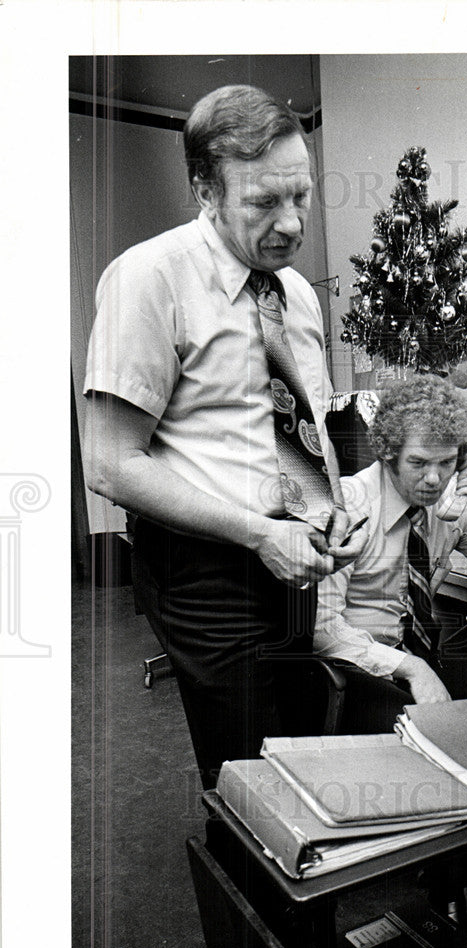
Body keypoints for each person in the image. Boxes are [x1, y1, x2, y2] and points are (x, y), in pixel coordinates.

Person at [83, 85, 365, 790]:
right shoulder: (150, 278)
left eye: (300, 196)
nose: (292, 222)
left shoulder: (297, 295)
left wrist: (333, 513)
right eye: (264, 203)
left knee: (302, 763)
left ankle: (302, 898)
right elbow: (110, 463)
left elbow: (298, 425)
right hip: (208, 572)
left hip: (292, 563)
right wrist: (257, 534)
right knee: (254, 786)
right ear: (204, 188)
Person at [313, 375, 467, 732]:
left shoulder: (452, 503)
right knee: (424, 729)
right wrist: (410, 668)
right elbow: (321, 629)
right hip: (359, 666)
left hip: (422, 655)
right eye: (419, 463)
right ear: (388, 453)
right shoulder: (350, 506)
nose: (434, 479)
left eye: (446, 463)